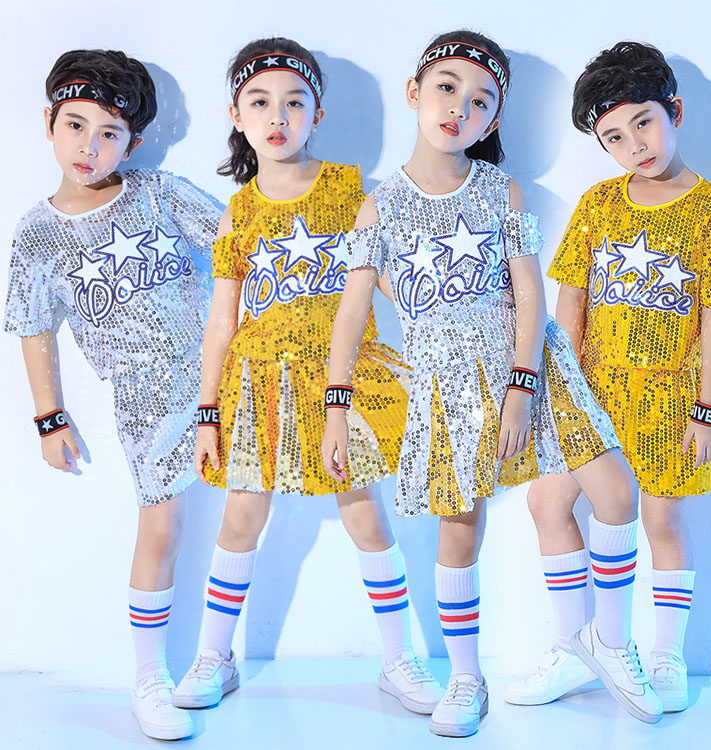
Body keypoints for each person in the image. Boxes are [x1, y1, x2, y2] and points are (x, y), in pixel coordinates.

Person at [323, 30, 662, 737]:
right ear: (415, 92)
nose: (461, 108)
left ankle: (604, 640)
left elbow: (529, 295)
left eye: (481, 101)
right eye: (447, 88)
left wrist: (520, 386)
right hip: (445, 380)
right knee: (459, 530)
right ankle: (466, 678)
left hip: (529, 366)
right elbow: (351, 314)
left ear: (493, 120)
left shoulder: (500, 190)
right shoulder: (379, 207)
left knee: (615, 493)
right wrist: (335, 407)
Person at [173, 37, 442, 717]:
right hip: (258, 386)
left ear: (316, 113)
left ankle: (399, 659)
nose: (278, 116)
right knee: (241, 515)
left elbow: (387, 281)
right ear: (236, 115)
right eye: (260, 102)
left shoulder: (350, 190)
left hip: (340, 382)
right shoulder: (237, 212)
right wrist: (207, 413)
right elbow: (221, 323)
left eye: (294, 102)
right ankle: (214, 657)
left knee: (364, 513)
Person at [507, 41, 711, 714]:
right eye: (614, 136)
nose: (634, 144)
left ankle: (665, 654)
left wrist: (709, 410)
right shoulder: (598, 204)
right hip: (592, 395)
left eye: (644, 122)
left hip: (671, 399)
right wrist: (558, 394)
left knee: (662, 517)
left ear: (674, 112)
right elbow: (570, 305)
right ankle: (575, 648)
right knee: (546, 503)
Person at [3, 49, 223, 740]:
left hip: (223, 374)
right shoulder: (38, 234)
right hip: (145, 399)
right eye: (75, 126)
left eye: (109, 134)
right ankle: (149, 677)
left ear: (133, 141)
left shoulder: (158, 193)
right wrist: (49, 417)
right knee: (163, 529)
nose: (89, 147)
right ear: (49, 123)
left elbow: (238, 245)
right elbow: (32, 324)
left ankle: (217, 658)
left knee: (247, 513)